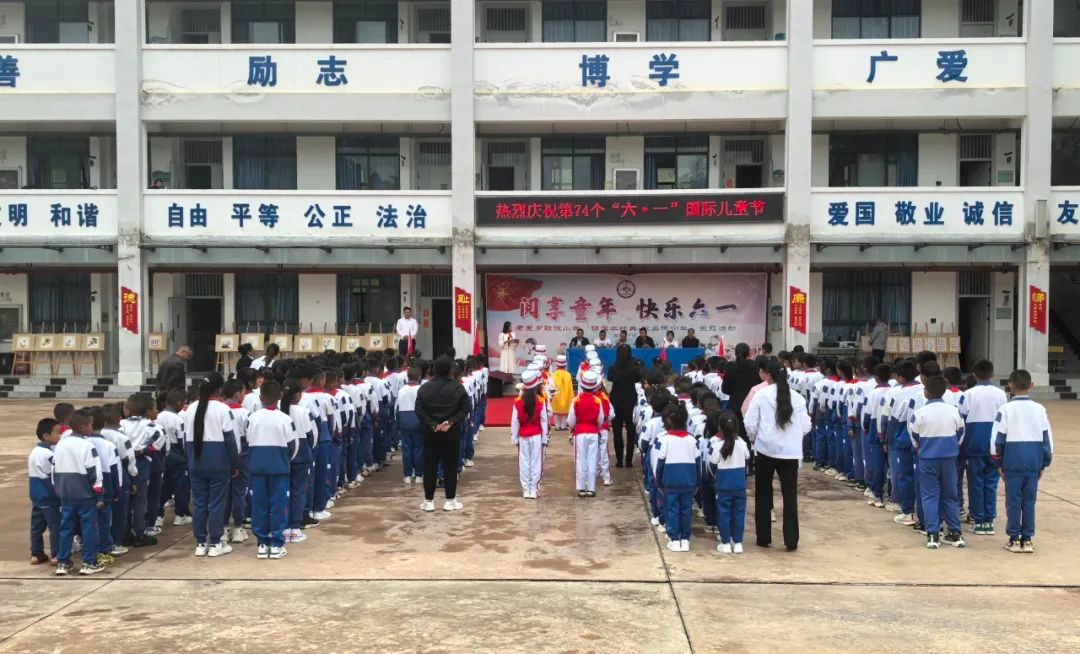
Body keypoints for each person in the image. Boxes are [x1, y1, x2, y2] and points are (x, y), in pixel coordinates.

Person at [744, 361, 812, 551]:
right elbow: (806, 426)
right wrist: (792, 437)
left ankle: (763, 537)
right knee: (790, 496)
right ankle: (791, 540)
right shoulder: (798, 398)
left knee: (763, 494)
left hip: (765, 450)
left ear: (768, 375)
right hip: (790, 453)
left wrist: (754, 439)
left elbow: (750, 423)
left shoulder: (761, 395)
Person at [992, 369, 1053, 554]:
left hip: (1012, 462)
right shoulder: (1040, 409)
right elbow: (1047, 440)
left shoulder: (1005, 409)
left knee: (1013, 501)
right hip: (1033, 462)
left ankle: (1014, 538)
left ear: (1010, 385)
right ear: (1031, 386)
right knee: (1029, 501)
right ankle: (1027, 539)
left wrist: (997, 462)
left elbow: (997, 440)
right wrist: (1044, 463)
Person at [183, 372, 241, 558]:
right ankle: (215, 542)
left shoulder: (190, 409)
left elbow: (185, 439)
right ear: (220, 389)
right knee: (216, 503)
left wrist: (190, 461)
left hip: (196, 460)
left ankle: (200, 543)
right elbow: (230, 439)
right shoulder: (223, 409)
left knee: (199, 503)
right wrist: (235, 463)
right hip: (218, 460)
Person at [910, 375, 966, 549]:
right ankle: (956, 534)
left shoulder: (919, 413)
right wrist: (954, 446)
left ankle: (933, 535)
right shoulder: (954, 411)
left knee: (929, 496)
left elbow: (914, 436)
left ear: (926, 392)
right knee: (951, 496)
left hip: (927, 459)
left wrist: (919, 448)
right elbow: (961, 432)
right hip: (949, 459)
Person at [246, 380, 297, 560]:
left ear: (260, 397)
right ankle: (276, 544)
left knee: (259, 505)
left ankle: (262, 544)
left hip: (257, 468)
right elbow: (293, 446)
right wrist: (285, 460)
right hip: (279, 469)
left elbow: (247, 441)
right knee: (279, 505)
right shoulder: (285, 419)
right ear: (280, 397)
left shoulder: (252, 418)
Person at [415, 356, 471, 512]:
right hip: (450, 432)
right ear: (450, 370)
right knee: (450, 466)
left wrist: (432, 423)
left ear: (434, 369)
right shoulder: (458, 388)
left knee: (430, 466)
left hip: (431, 432)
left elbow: (419, 409)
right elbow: (466, 408)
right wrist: (451, 421)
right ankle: (450, 500)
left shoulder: (424, 388)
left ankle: (429, 501)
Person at [52, 411, 104, 576]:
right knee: (89, 528)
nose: (91, 427)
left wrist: (58, 489)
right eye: (90, 425)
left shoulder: (61, 444)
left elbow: (54, 469)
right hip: (85, 494)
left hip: (65, 493)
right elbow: (94, 471)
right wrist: (99, 494)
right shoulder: (87, 445)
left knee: (66, 528)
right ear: (83, 427)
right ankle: (89, 562)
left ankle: (62, 562)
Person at [962, 359, 1008, 536]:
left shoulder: (968, 394)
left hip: (974, 442)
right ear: (993, 374)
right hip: (994, 443)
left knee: (975, 482)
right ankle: (989, 520)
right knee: (991, 482)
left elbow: (961, 418)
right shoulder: (1001, 394)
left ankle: (978, 519)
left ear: (974, 374)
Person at [656, 401, 699, 552]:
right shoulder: (692, 440)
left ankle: (675, 539)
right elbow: (698, 463)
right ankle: (685, 539)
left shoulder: (665, 440)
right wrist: (697, 483)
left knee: (672, 510)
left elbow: (660, 464)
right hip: (689, 481)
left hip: (670, 481)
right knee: (686, 510)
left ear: (667, 421)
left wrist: (659, 482)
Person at [123, 394, 165, 547]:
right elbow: (159, 442)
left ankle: (124, 533)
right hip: (141, 462)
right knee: (140, 498)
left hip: (123, 462)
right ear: (148, 411)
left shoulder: (121, 424)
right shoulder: (152, 426)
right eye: (154, 408)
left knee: (125, 497)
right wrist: (142, 451)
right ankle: (139, 532)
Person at [708, 411, 750, 554]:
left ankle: (725, 542)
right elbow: (747, 459)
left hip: (723, 485)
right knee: (739, 513)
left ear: (720, 428)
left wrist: (716, 479)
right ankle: (738, 543)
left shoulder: (717, 446)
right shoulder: (742, 443)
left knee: (723, 513)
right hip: (739, 484)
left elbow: (711, 466)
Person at [568, 371, 608, 498]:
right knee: (592, 460)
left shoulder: (576, 400)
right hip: (593, 432)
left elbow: (571, 420)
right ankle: (591, 488)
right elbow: (601, 419)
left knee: (580, 460)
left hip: (580, 432)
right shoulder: (597, 400)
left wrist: (573, 427)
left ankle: (581, 488)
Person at [29, 418, 63, 566]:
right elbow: (55, 474)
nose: (59, 435)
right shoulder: (49, 455)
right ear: (46, 436)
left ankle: (36, 554)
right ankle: (56, 554)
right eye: (57, 433)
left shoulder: (34, 452)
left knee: (36, 527)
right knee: (55, 527)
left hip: (36, 495)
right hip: (49, 496)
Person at [511, 370, 549, 499]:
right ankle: (533, 489)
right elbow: (544, 420)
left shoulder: (517, 401)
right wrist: (545, 438)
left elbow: (515, 421)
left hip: (523, 435)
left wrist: (514, 438)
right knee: (536, 462)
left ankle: (526, 490)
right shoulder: (541, 401)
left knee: (524, 462)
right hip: (536, 435)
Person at [222, 379, 251, 544]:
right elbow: (249, 435)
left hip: (223, 455)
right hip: (242, 454)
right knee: (239, 493)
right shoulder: (245, 413)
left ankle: (224, 528)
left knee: (225, 493)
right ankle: (238, 528)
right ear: (237, 394)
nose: (244, 395)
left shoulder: (220, 411)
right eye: (243, 392)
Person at [607, 344, 642, 468]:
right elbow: (638, 379)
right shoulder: (634, 367)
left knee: (617, 431)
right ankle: (628, 461)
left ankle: (619, 460)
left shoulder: (613, 367)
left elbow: (610, 378)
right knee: (631, 430)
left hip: (616, 400)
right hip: (630, 400)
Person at [722, 343, 759, 433]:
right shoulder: (755, 367)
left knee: (735, 435)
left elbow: (725, 389)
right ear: (749, 353)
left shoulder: (730, 367)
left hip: (734, 406)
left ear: (735, 353)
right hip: (751, 406)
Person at [396, 366, 423, 484]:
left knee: (406, 449)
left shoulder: (401, 390)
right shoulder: (421, 389)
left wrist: (397, 423)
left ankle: (407, 475)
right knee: (418, 448)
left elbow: (396, 408)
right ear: (419, 377)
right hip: (418, 420)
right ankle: (418, 475)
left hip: (404, 420)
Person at [550, 355, 574, 431]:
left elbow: (551, 387)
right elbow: (570, 388)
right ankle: (563, 426)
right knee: (566, 410)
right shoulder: (568, 374)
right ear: (565, 364)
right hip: (566, 395)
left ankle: (557, 426)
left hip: (556, 395)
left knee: (555, 409)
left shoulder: (553, 374)